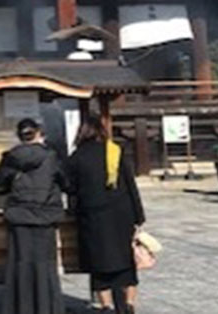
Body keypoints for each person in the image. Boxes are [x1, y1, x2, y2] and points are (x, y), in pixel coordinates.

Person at [67, 116, 146, 314]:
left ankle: (106, 306)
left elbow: (70, 188)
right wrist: (138, 216)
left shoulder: (77, 157)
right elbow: (130, 184)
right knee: (126, 263)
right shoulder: (115, 151)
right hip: (121, 215)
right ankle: (128, 304)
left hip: (93, 218)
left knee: (99, 265)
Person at [0, 118, 68, 314]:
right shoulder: (51, 157)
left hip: (19, 216)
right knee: (45, 265)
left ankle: (20, 308)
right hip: (45, 216)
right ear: (40, 134)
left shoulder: (11, 158)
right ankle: (47, 307)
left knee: (20, 263)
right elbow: (67, 183)